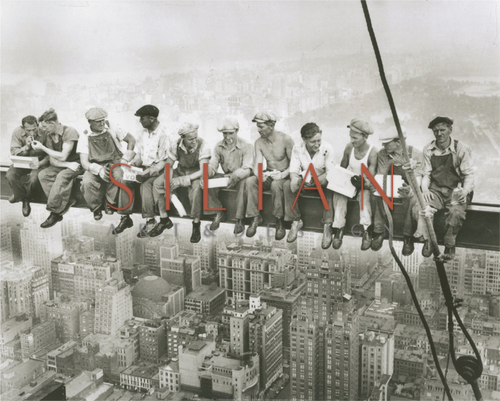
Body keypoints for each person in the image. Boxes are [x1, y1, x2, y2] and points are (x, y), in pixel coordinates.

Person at [414, 116, 474, 260]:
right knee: (421, 207)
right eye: (436, 131)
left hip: (456, 191)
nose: (439, 134)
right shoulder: (428, 149)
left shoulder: (461, 148)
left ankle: (449, 244)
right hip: (436, 190)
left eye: (442, 130)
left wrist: (464, 192)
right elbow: (426, 174)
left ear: (450, 130)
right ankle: (428, 240)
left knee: (456, 212)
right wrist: (425, 189)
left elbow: (468, 175)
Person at [114, 104, 172, 236]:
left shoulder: (164, 134)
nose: (140, 121)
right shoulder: (142, 133)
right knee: (125, 180)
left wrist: (149, 172)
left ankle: (150, 220)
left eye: (142, 118)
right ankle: (125, 217)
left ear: (151, 119)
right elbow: (140, 155)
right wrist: (132, 164)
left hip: (158, 169)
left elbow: (164, 161)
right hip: (143, 168)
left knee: (145, 185)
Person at [150, 122, 211, 242]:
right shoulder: (176, 145)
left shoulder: (204, 145)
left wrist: (182, 180)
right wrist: (169, 181)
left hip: (196, 174)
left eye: (195, 138)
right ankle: (164, 219)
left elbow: (203, 171)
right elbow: (169, 165)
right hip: (181, 170)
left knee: (197, 189)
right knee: (159, 183)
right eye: (190, 139)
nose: (194, 141)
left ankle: (196, 224)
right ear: (182, 138)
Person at [370, 128, 423, 254]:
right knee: (377, 195)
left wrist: (410, 190)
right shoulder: (383, 154)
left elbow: (418, 180)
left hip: (409, 187)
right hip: (390, 185)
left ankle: (407, 236)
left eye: (387, 143)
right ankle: (379, 232)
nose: (383, 145)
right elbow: (381, 174)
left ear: (398, 142)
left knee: (412, 199)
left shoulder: (415, 154)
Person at [77, 107, 136, 221]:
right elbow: (84, 162)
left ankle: (110, 203)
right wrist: (98, 170)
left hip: (115, 161)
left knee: (119, 176)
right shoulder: (84, 136)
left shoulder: (111, 127)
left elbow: (131, 140)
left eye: (103, 120)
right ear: (90, 122)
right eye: (98, 121)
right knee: (86, 182)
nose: (102, 123)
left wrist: (125, 159)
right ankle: (96, 208)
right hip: (95, 164)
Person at [207, 118, 261, 237]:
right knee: (208, 183)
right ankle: (218, 212)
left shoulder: (246, 146)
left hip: (242, 176)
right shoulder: (218, 146)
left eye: (230, 133)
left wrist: (237, 175)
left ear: (237, 131)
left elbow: (248, 168)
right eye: (225, 133)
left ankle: (239, 219)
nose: (227, 136)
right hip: (227, 177)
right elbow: (213, 164)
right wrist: (207, 173)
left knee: (243, 184)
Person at [285, 122, 335, 248]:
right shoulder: (297, 148)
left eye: (319, 140)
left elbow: (331, 172)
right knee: (287, 185)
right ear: (304, 139)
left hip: (322, 183)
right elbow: (293, 170)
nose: (317, 144)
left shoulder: (328, 148)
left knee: (331, 188)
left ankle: (327, 226)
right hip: (305, 182)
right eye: (313, 142)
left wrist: (319, 181)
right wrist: (296, 180)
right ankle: (296, 220)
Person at [332, 119, 378, 250]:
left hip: (363, 185)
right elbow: (343, 168)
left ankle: (366, 229)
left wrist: (363, 182)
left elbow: (371, 177)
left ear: (365, 137)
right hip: (350, 182)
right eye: (350, 137)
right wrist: (341, 180)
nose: (352, 140)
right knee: (339, 194)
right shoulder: (349, 147)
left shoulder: (373, 152)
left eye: (355, 138)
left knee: (364, 196)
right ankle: (339, 227)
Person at [32, 108, 81, 228]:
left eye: (45, 126)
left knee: (61, 176)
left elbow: (63, 156)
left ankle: (55, 212)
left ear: (52, 124)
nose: (43, 129)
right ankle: (67, 201)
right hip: (66, 165)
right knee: (43, 175)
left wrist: (42, 148)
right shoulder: (50, 135)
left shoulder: (70, 132)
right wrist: (66, 165)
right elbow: (53, 159)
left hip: (77, 164)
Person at [252, 112, 294, 240]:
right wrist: (260, 175)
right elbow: (257, 164)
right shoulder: (258, 142)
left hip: (285, 174)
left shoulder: (286, 139)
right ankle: (254, 216)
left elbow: (295, 164)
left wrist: (283, 174)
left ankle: (279, 221)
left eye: (261, 127)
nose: (258, 130)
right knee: (250, 181)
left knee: (276, 185)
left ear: (271, 126)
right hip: (269, 173)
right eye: (258, 127)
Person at [6, 115, 49, 217]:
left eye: (34, 129)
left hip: (38, 162)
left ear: (37, 125)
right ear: (23, 128)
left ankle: (20, 195)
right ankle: (23, 198)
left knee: (34, 179)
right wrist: (26, 147)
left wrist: (41, 163)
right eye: (28, 130)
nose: (32, 133)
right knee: (10, 175)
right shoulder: (17, 132)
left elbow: (49, 154)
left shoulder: (44, 132)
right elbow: (14, 152)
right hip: (22, 161)